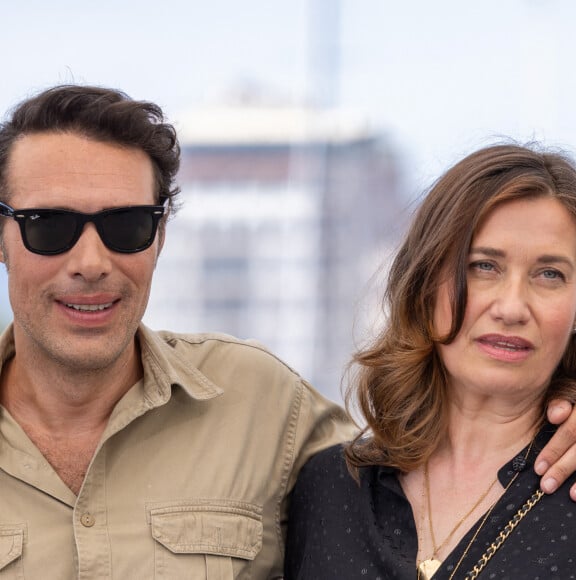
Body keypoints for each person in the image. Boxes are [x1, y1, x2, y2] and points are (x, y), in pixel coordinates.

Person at [0, 84, 358, 579]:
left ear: (161, 235)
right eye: (49, 226)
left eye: (126, 226)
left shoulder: (265, 404)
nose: (90, 263)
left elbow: (428, 507)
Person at [285, 144, 576, 579]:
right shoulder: (329, 487)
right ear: (424, 283)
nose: (513, 307)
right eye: (484, 266)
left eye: (550, 274)